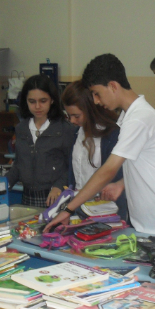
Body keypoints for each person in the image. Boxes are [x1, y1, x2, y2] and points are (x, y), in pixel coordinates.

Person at [45, 53, 155, 236]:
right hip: (148, 221)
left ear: (113, 86)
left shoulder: (139, 118)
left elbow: (108, 170)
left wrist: (68, 209)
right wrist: (122, 183)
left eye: (97, 94)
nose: (96, 101)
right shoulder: (129, 117)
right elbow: (146, 163)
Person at [5, 75, 76, 208]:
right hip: (28, 197)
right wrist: (3, 184)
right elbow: (19, 165)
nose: (37, 106)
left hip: (55, 197)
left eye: (43, 101)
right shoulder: (21, 128)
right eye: (32, 101)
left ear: (52, 100)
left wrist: (58, 186)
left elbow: (72, 166)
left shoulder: (65, 129)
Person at [61, 80, 128, 220]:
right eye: (69, 116)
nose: (72, 121)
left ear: (91, 110)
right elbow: (73, 175)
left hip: (106, 212)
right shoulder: (76, 135)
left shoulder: (114, 135)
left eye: (76, 116)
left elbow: (112, 176)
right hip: (79, 209)